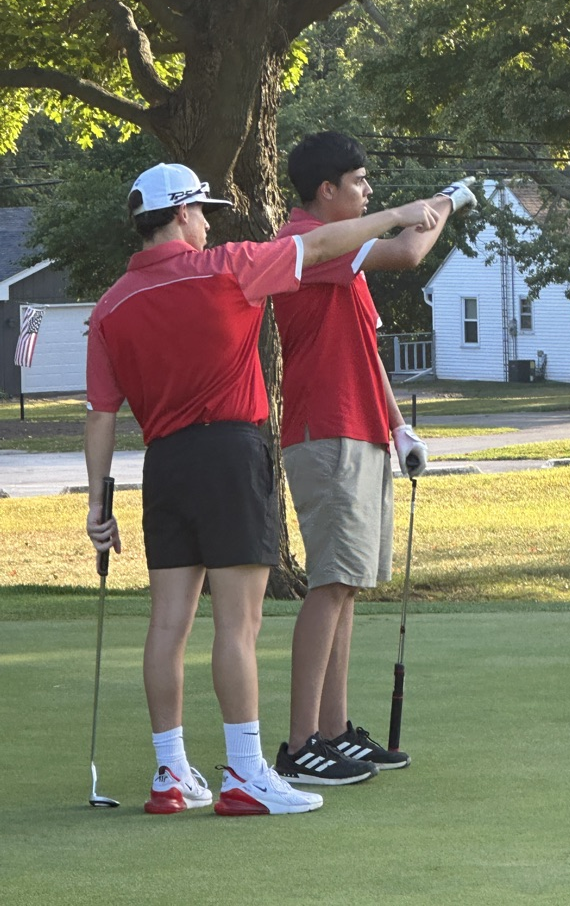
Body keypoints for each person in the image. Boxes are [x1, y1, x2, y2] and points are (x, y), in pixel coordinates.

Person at [84, 161, 441, 816]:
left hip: (163, 464)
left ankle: (171, 774)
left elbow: (101, 416)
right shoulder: (226, 267)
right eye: (203, 213)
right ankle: (245, 773)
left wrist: (97, 505)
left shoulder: (110, 307)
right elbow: (322, 246)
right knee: (237, 624)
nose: (206, 224)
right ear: (184, 214)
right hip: (228, 452)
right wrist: (397, 215)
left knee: (168, 624)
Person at [272, 132, 476, 785]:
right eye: (358, 182)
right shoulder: (308, 240)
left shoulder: (342, 252)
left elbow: (363, 350)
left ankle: (333, 731)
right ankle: (301, 742)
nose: (367, 192)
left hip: (359, 428)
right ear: (326, 190)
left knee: (349, 583)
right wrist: (445, 202)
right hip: (324, 429)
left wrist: (398, 428)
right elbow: (412, 250)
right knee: (331, 583)